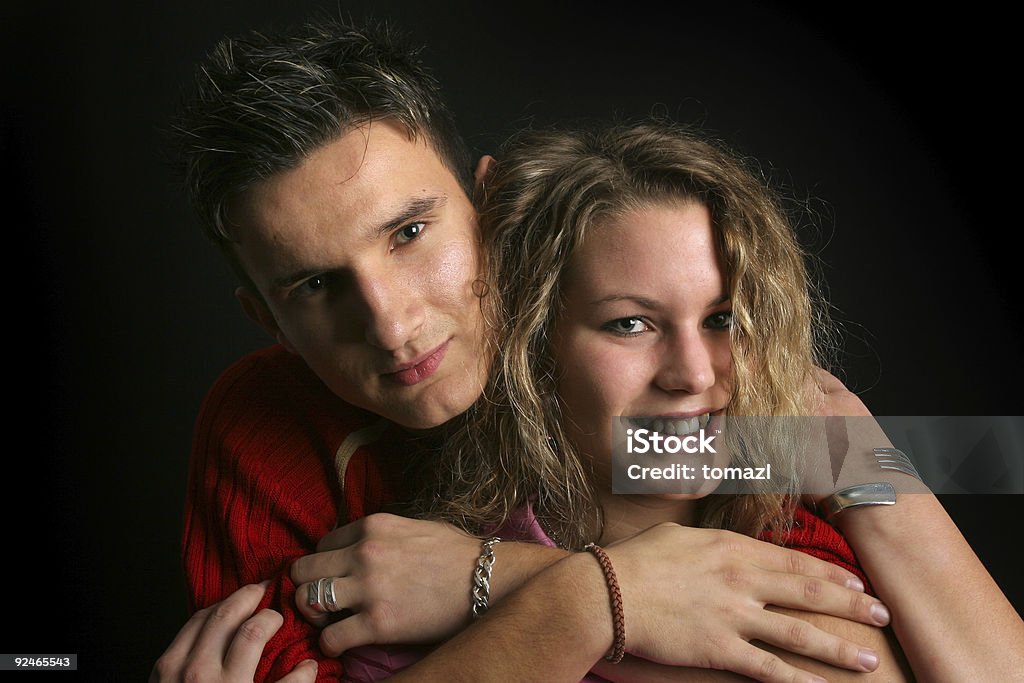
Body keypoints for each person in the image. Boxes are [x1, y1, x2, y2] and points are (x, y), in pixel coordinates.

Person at [152, 16, 896, 683]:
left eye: (409, 233)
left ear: (489, 202)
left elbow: (862, 606)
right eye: (315, 284)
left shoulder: (616, 365)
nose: (390, 323)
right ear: (267, 318)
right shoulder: (264, 426)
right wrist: (598, 596)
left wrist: (507, 579)